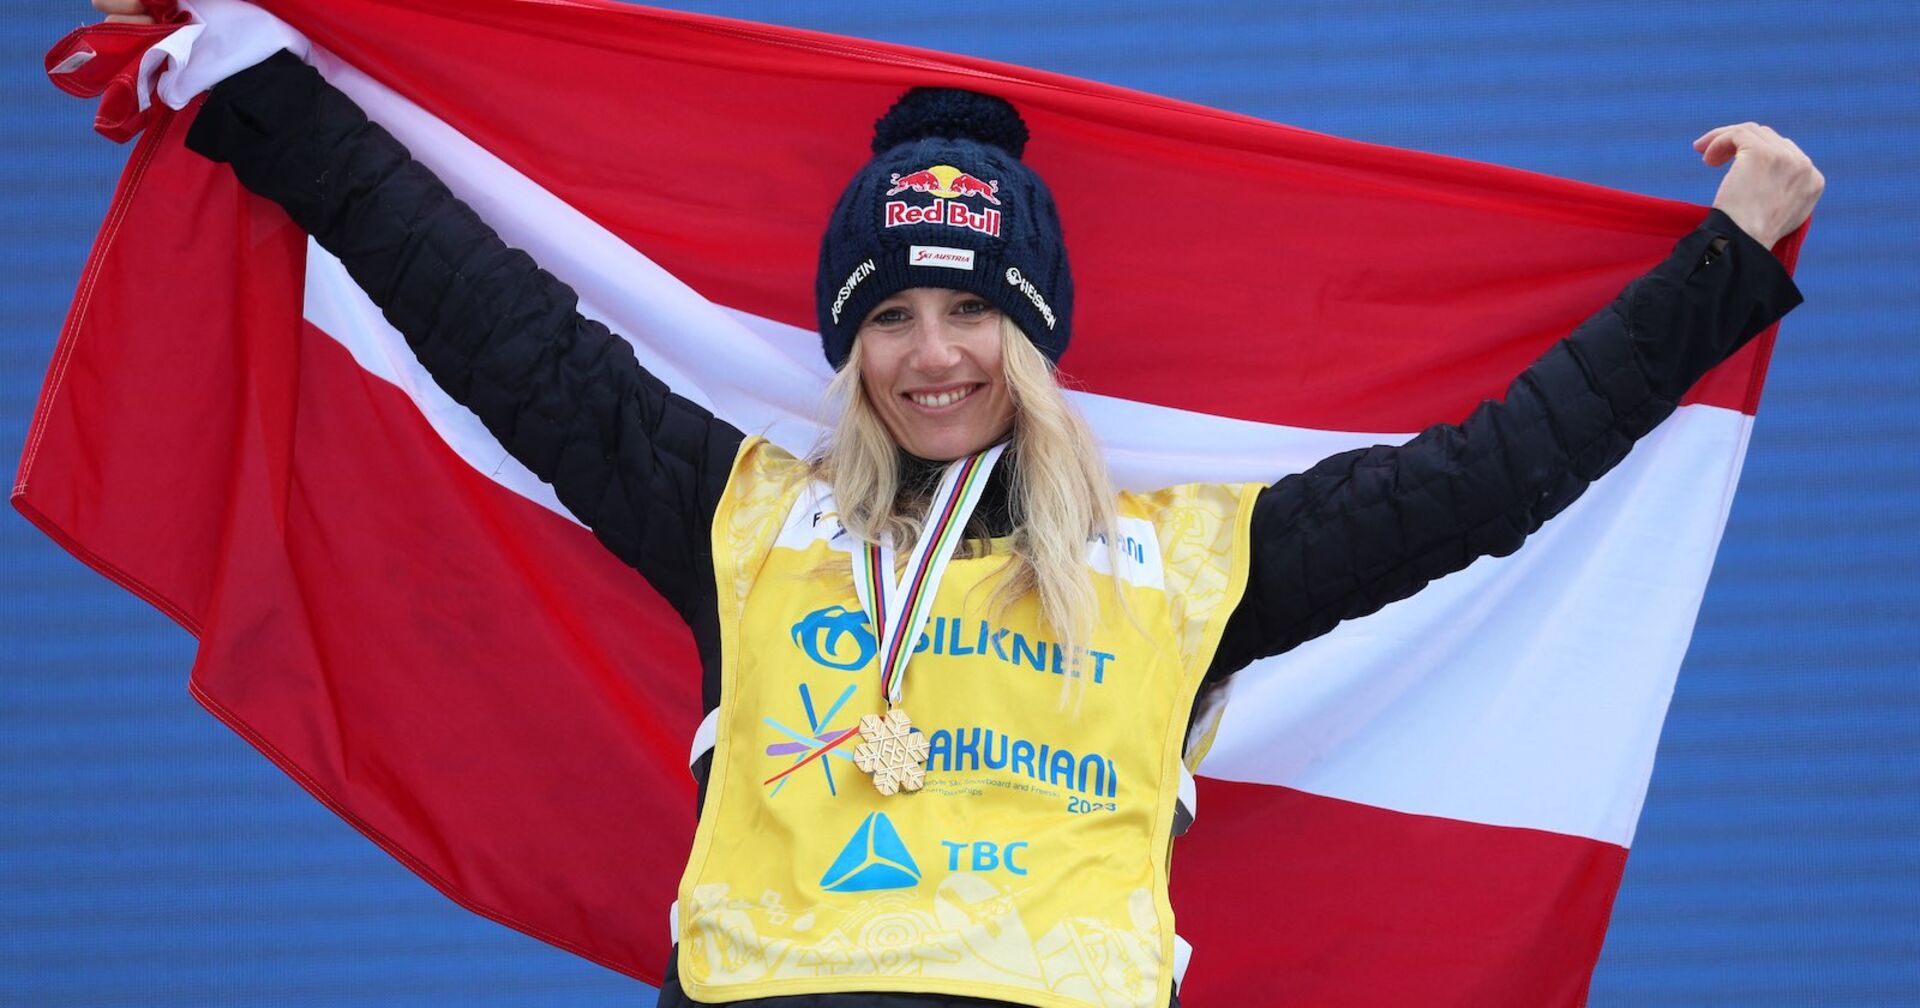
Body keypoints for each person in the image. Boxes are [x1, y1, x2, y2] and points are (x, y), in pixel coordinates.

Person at [88, 2, 1824, 1006]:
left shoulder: (1185, 563)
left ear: (1034, 336)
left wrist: (1725, 264)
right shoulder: (739, 519)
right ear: (848, 345)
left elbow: (1491, 475)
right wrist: (253, 87)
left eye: (973, 312)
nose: (933, 355)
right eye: (893, 316)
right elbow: (486, 320)